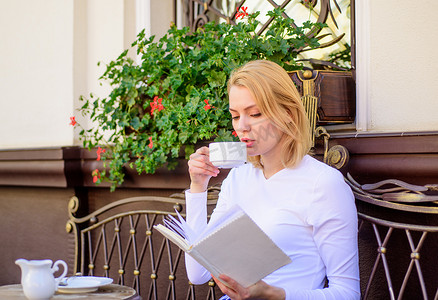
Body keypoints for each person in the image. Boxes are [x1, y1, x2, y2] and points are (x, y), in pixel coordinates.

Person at [185, 60, 360, 300]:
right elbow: (198, 274)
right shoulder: (238, 178)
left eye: (255, 114)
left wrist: (273, 294)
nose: (242, 127)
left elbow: (347, 294)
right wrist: (198, 187)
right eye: (235, 116)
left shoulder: (322, 183)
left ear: (287, 114)